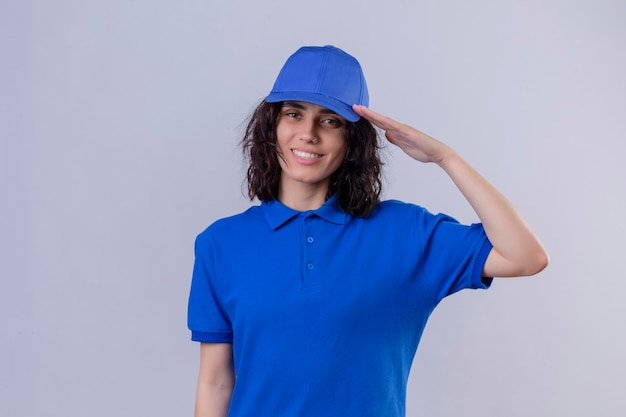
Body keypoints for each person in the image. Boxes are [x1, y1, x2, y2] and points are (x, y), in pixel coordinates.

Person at [187, 45, 549, 417]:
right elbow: (216, 382)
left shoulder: (406, 234)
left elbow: (525, 256)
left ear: (352, 139)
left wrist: (446, 158)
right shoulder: (220, 244)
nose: (308, 133)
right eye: (294, 114)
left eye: (330, 121)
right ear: (272, 125)